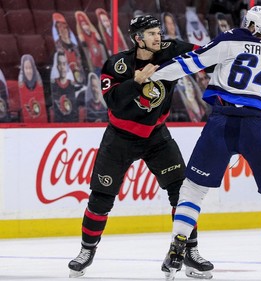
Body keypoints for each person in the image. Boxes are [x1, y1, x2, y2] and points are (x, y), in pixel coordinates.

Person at [151, 6, 261, 281]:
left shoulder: (232, 38)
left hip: (222, 122)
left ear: (253, 24)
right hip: (258, 127)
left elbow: (191, 62)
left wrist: (153, 75)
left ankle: (177, 249)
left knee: (193, 189)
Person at [68, 15, 214, 279]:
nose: (158, 37)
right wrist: (135, 83)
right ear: (137, 39)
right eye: (151, 33)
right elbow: (112, 102)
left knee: (182, 194)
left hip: (157, 137)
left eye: (158, 32)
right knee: (101, 197)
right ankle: (86, 250)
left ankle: (190, 251)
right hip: (119, 138)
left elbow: (206, 55)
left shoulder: (171, 50)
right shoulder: (116, 65)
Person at [50, 51, 80, 122]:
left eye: (64, 64)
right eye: (60, 64)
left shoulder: (72, 85)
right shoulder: (53, 85)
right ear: (56, 66)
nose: (62, 67)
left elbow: (74, 111)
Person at [18, 54, 48, 122]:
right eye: (26, 68)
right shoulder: (21, 86)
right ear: (23, 69)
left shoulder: (39, 84)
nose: (28, 71)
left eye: (30, 68)